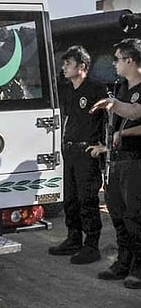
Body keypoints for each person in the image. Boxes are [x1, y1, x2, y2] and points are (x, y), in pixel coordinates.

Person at [87, 38, 141, 289]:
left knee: (135, 216)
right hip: (117, 161)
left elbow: (134, 113)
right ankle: (123, 261)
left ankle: (138, 268)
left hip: (136, 161)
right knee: (118, 216)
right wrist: (108, 145)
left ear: (130, 60)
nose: (115, 64)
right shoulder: (121, 88)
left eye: (118, 59)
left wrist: (113, 107)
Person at [48, 46, 107, 264]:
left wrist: (104, 146)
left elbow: (108, 120)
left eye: (68, 64)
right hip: (69, 150)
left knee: (87, 200)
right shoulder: (66, 90)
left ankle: (92, 245)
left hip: (87, 151)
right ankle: (73, 238)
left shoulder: (96, 90)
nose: (64, 68)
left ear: (82, 66)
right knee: (70, 199)